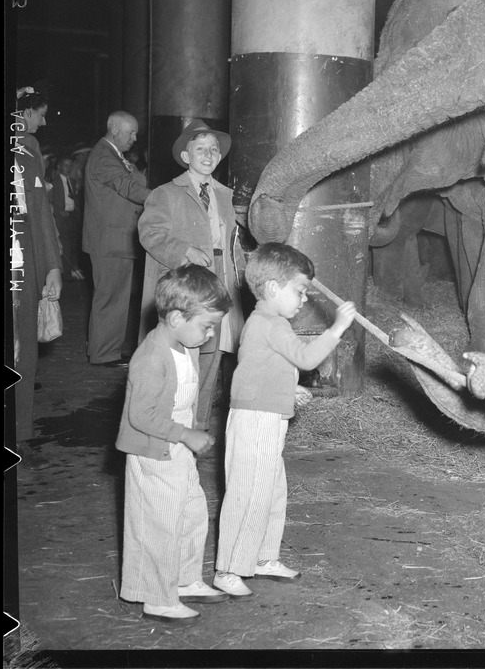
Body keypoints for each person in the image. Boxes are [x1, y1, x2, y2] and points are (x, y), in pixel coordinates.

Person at [213, 243, 356, 598]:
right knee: (249, 492)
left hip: (267, 414)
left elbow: (259, 369)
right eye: (300, 291)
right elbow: (306, 359)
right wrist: (337, 329)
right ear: (274, 289)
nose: (304, 299)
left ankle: (263, 557)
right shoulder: (271, 324)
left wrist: (287, 392)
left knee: (272, 491)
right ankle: (229, 567)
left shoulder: (267, 324)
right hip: (256, 419)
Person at [116, 265, 232, 623]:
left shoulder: (185, 346)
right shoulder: (151, 358)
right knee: (160, 523)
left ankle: (184, 579)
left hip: (176, 447)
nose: (211, 334)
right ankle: (157, 597)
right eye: (207, 326)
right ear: (176, 317)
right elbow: (141, 416)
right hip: (154, 449)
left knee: (192, 511)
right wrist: (186, 434)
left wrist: (190, 432)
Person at [138, 119, 244, 430]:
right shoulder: (166, 194)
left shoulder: (226, 195)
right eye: (201, 149)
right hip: (186, 289)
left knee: (210, 353)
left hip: (221, 284)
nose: (209, 154)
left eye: (214, 150)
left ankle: (197, 423)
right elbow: (150, 233)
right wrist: (185, 250)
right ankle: (170, 423)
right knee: (182, 356)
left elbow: (234, 239)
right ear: (186, 156)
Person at [10, 87, 63, 468]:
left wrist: (53, 267)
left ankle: (18, 431)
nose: (42, 123)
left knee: (23, 346)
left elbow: (41, 213)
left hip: (23, 261)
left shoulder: (28, 150)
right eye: (38, 114)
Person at [82, 111, 150, 367]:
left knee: (116, 298)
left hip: (115, 239)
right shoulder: (104, 157)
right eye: (130, 132)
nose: (134, 137)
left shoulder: (113, 155)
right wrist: (162, 198)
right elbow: (129, 188)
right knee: (110, 298)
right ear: (114, 130)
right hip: (109, 240)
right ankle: (103, 354)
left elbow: (133, 182)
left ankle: (107, 349)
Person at [50, 156, 85, 280]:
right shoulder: (54, 183)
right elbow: (50, 201)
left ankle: (71, 269)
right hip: (61, 217)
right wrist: (59, 211)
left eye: (70, 165)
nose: (68, 168)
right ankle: (64, 272)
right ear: (59, 167)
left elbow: (73, 198)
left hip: (71, 217)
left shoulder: (72, 181)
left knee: (73, 243)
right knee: (64, 244)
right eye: (65, 165)